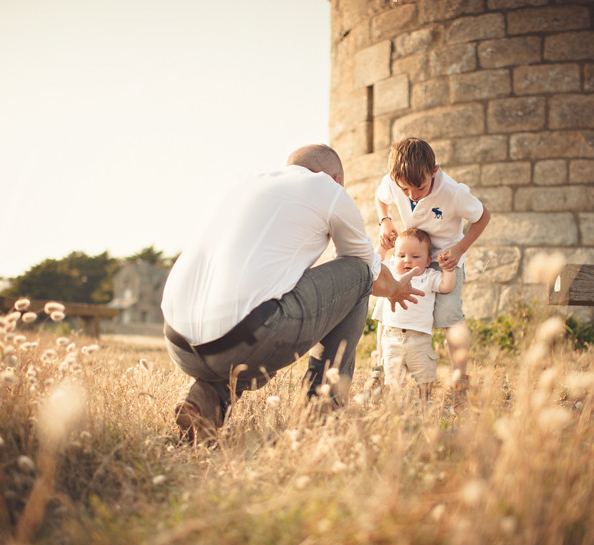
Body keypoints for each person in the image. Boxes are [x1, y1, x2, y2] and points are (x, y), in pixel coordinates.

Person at [160, 144, 423, 441]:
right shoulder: (329, 190)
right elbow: (370, 274)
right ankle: (323, 411)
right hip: (244, 340)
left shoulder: (245, 184)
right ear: (336, 178)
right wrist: (397, 288)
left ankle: (208, 397)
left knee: (262, 299)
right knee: (359, 271)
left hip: (177, 343)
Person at [374, 137, 491, 389]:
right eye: (405, 190)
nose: (412, 195)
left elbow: (482, 217)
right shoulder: (395, 182)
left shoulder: (453, 192)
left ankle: (460, 376)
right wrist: (385, 219)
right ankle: (384, 363)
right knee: (392, 304)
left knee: (449, 314)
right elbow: (380, 197)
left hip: (447, 258)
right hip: (412, 253)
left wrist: (459, 250)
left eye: (420, 188)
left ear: (434, 172)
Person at [373, 228, 456, 400]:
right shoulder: (391, 272)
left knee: (425, 375)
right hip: (392, 336)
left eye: (415, 257)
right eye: (401, 256)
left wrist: (448, 268)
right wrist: (383, 248)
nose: (407, 261)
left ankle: (424, 401)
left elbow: (447, 286)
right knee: (393, 378)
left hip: (419, 337)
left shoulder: (429, 276)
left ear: (428, 260)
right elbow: (373, 266)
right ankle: (396, 405)